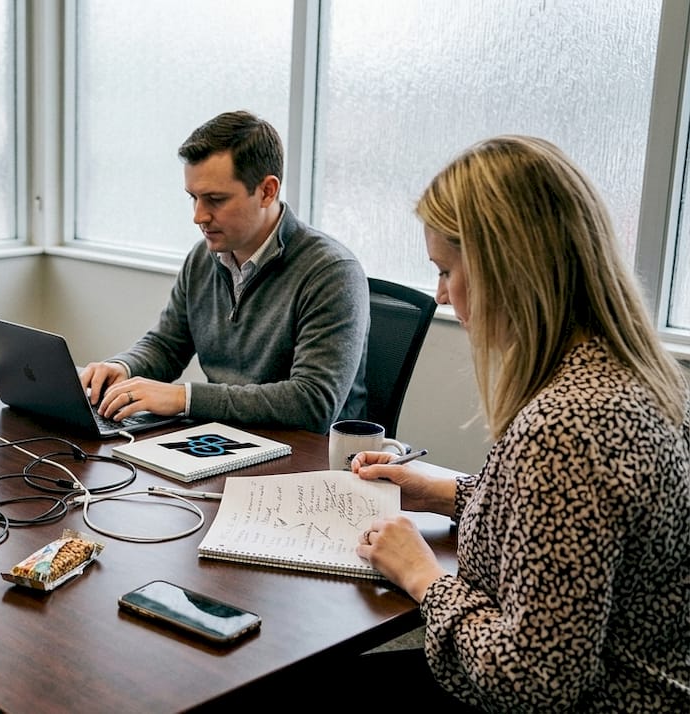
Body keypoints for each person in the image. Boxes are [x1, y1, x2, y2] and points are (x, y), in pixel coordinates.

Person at [350, 135, 690, 711]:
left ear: (507, 268)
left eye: (446, 270)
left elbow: (532, 681)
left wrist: (423, 578)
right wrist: (446, 492)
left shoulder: (567, 429)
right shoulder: (637, 376)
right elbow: (576, 533)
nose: (441, 296)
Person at [79, 110, 369, 434]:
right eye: (193, 198)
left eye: (215, 200)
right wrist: (124, 368)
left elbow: (312, 403)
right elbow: (167, 345)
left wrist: (184, 398)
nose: (198, 216)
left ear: (267, 191)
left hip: (304, 460)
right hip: (224, 438)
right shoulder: (204, 257)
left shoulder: (331, 272)